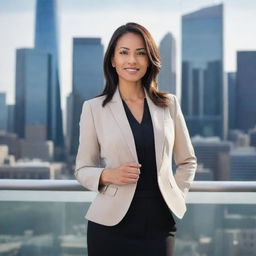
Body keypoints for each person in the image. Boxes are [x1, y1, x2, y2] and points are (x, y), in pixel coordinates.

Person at [75, 22, 197, 256]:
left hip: (159, 224)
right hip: (109, 225)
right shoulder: (93, 108)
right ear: (112, 59)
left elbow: (188, 160)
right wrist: (107, 175)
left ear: (150, 59)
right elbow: (82, 168)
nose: (132, 60)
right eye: (124, 52)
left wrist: (176, 195)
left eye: (140, 53)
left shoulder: (168, 104)